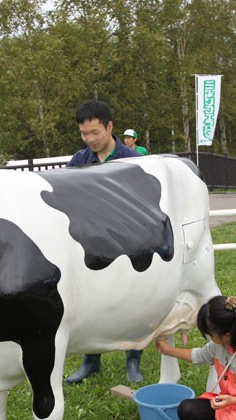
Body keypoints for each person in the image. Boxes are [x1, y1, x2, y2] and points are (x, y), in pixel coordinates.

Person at [66, 100, 144, 384]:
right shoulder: (78, 161)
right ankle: (91, 359)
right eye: (84, 134)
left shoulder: (133, 160)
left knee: (133, 302)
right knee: (90, 305)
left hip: (129, 247)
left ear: (110, 127)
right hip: (91, 248)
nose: (89, 140)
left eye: (95, 132)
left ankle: (133, 360)